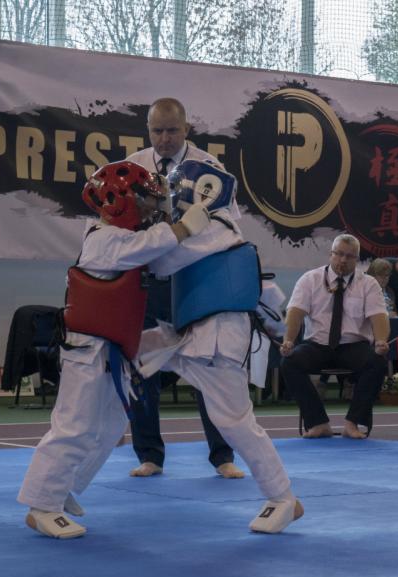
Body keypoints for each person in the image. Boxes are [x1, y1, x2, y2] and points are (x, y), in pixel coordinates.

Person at [17, 160, 210, 539]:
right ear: (119, 200)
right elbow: (152, 244)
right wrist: (185, 227)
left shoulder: (120, 239)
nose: (150, 207)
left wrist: (171, 217)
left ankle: (62, 487)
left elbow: (153, 250)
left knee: (111, 423)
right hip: (86, 349)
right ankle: (41, 506)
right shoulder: (104, 240)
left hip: (108, 349)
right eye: (144, 200)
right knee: (73, 427)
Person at [137, 159, 303, 534]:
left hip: (217, 336)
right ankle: (60, 486)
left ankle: (283, 497)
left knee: (233, 420)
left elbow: (159, 263)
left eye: (172, 194)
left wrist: (133, 231)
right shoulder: (215, 228)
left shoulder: (211, 227)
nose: (168, 202)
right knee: (129, 361)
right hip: (196, 333)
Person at [125, 97, 243, 480]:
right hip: (149, 282)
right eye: (157, 131)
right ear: (148, 130)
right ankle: (149, 455)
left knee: (207, 366)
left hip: (196, 280)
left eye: (172, 130)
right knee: (143, 367)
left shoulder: (210, 168)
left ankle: (222, 454)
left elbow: (229, 225)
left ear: (187, 129)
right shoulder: (132, 167)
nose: (164, 139)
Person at [279, 234, 390, 440]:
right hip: (317, 345)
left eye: (349, 256)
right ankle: (317, 423)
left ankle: (352, 423)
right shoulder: (309, 279)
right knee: (290, 362)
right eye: (339, 254)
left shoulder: (368, 283)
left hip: (353, 346)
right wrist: (289, 341)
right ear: (331, 254)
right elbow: (295, 313)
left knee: (377, 362)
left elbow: (379, 316)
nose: (343, 260)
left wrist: (381, 340)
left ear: (357, 259)